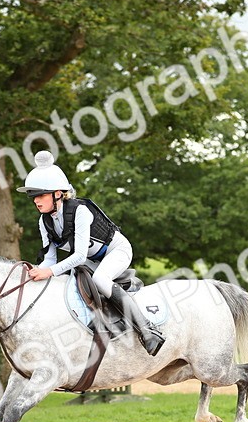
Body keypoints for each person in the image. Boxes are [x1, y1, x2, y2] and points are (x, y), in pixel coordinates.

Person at [16, 150, 164, 356]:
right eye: (33, 197)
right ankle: (100, 322)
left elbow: (77, 255)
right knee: (71, 283)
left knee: (101, 279)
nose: (35, 201)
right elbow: (49, 259)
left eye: (40, 195)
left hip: (116, 250)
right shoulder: (44, 221)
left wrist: (48, 272)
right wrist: (34, 272)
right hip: (91, 258)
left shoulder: (80, 211)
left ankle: (148, 330)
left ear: (58, 193)